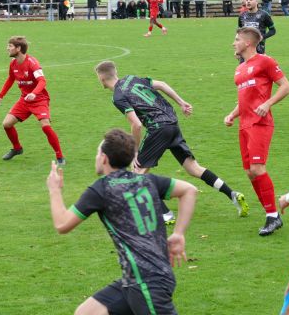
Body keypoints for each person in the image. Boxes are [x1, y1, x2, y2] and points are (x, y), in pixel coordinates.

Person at [46, 128, 197, 315]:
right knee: (87, 312)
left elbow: (62, 224)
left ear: (104, 158)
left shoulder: (102, 189)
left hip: (147, 282)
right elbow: (189, 190)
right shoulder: (147, 180)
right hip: (135, 279)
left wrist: (54, 190)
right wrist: (178, 233)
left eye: (97, 153)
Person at [95, 61, 249, 224]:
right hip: (172, 123)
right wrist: (181, 102)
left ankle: (166, 214)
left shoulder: (118, 96)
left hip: (158, 128)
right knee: (193, 168)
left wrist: (134, 152)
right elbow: (161, 84)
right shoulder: (131, 79)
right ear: (115, 72)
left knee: (137, 174)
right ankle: (232, 194)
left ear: (101, 78)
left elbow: (136, 124)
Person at [224, 27, 289, 236]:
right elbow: (245, 98)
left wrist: (268, 103)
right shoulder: (240, 68)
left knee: (257, 168)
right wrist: (232, 114)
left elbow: (286, 87)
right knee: (249, 172)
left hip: (260, 123)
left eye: (237, 40)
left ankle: (272, 216)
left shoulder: (265, 61)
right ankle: (272, 213)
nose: (233, 43)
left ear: (247, 43)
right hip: (244, 124)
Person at [0, 36, 65, 163]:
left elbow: (42, 81)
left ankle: (60, 156)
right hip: (24, 100)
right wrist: (0, 96)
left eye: (10, 46)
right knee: (6, 124)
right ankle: (17, 148)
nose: (7, 48)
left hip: (39, 99)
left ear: (18, 48)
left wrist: (34, 93)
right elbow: (10, 79)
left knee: (46, 126)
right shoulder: (13, 64)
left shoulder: (32, 63)